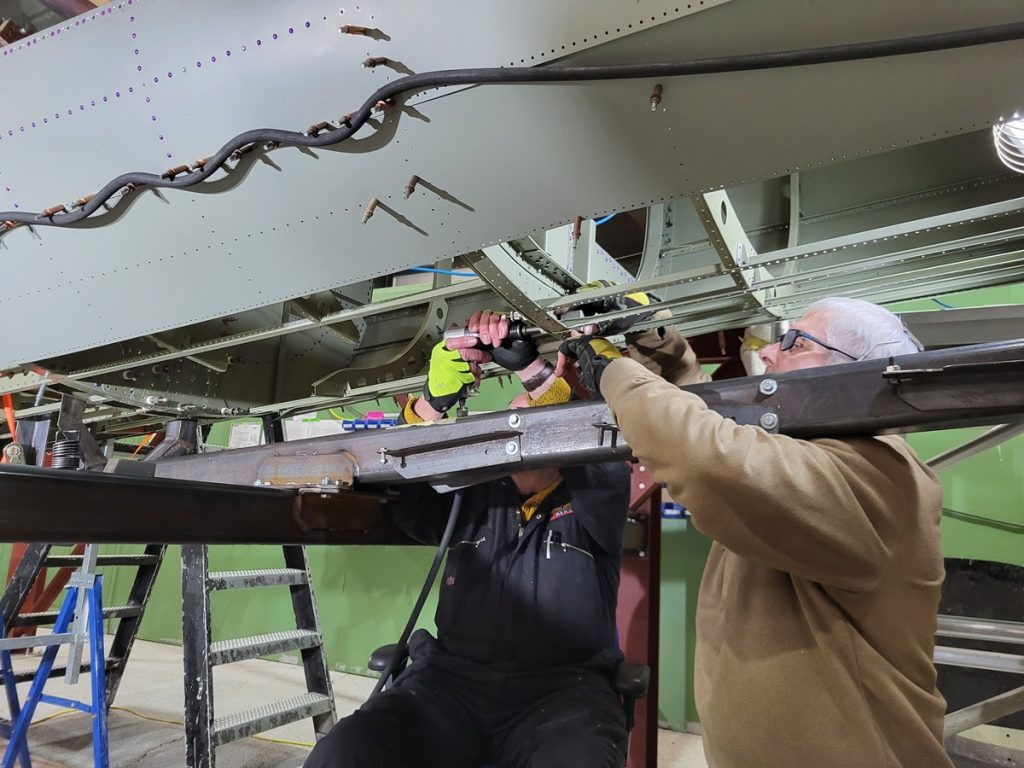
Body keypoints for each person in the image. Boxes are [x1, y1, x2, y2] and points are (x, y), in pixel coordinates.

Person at [552, 295, 953, 768]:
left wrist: (614, 374)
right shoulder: (813, 451)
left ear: (857, 373)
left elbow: (707, 454)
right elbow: (717, 412)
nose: (768, 352)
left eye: (795, 342)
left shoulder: (878, 476)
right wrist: (654, 336)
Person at [305, 310, 632, 768]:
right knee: (345, 752)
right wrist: (430, 404)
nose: (524, 429)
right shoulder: (470, 499)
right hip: (450, 687)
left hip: (562, 694)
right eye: (517, 418)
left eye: (541, 416)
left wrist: (532, 371)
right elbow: (401, 486)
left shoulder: (592, 501)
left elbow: (604, 459)